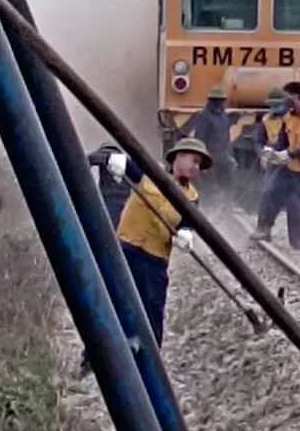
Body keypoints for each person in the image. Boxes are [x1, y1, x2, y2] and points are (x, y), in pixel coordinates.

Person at [112, 136, 209, 347]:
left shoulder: (191, 196)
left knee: (152, 312)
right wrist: (116, 161)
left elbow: (187, 222)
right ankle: (94, 360)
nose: (196, 167)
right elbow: (126, 164)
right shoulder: (149, 172)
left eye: (199, 164)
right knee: (113, 304)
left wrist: (186, 234)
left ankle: (150, 362)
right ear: (179, 157)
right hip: (126, 250)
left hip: (154, 260)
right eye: (194, 160)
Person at [253, 82, 300, 246]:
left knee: (295, 205)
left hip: (296, 166)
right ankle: (263, 228)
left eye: (277, 105)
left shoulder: (293, 118)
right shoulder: (266, 120)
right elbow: (259, 140)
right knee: (269, 193)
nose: (274, 108)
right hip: (278, 164)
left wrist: (284, 154)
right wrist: (265, 154)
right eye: (271, 105)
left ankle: (296, 242)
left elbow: (299, 143)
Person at [179, 87, 235, 199]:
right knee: (210, 187)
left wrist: (230, 155)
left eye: (221, 100)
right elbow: (200, 138)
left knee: (227, 185)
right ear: (211, 101)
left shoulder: (224, 117)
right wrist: (203, 158)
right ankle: (210, 208)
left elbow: (227, 138)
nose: (219, 103)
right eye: (216, 100)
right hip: (210, 157)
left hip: (223, 157)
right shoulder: (204, 116)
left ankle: (227, 208)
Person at [88, 141, 143, 226]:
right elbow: (139, 177)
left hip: (107, 197)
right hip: (124, 199)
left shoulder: (99, 156)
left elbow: (85, 161)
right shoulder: (125, 160)